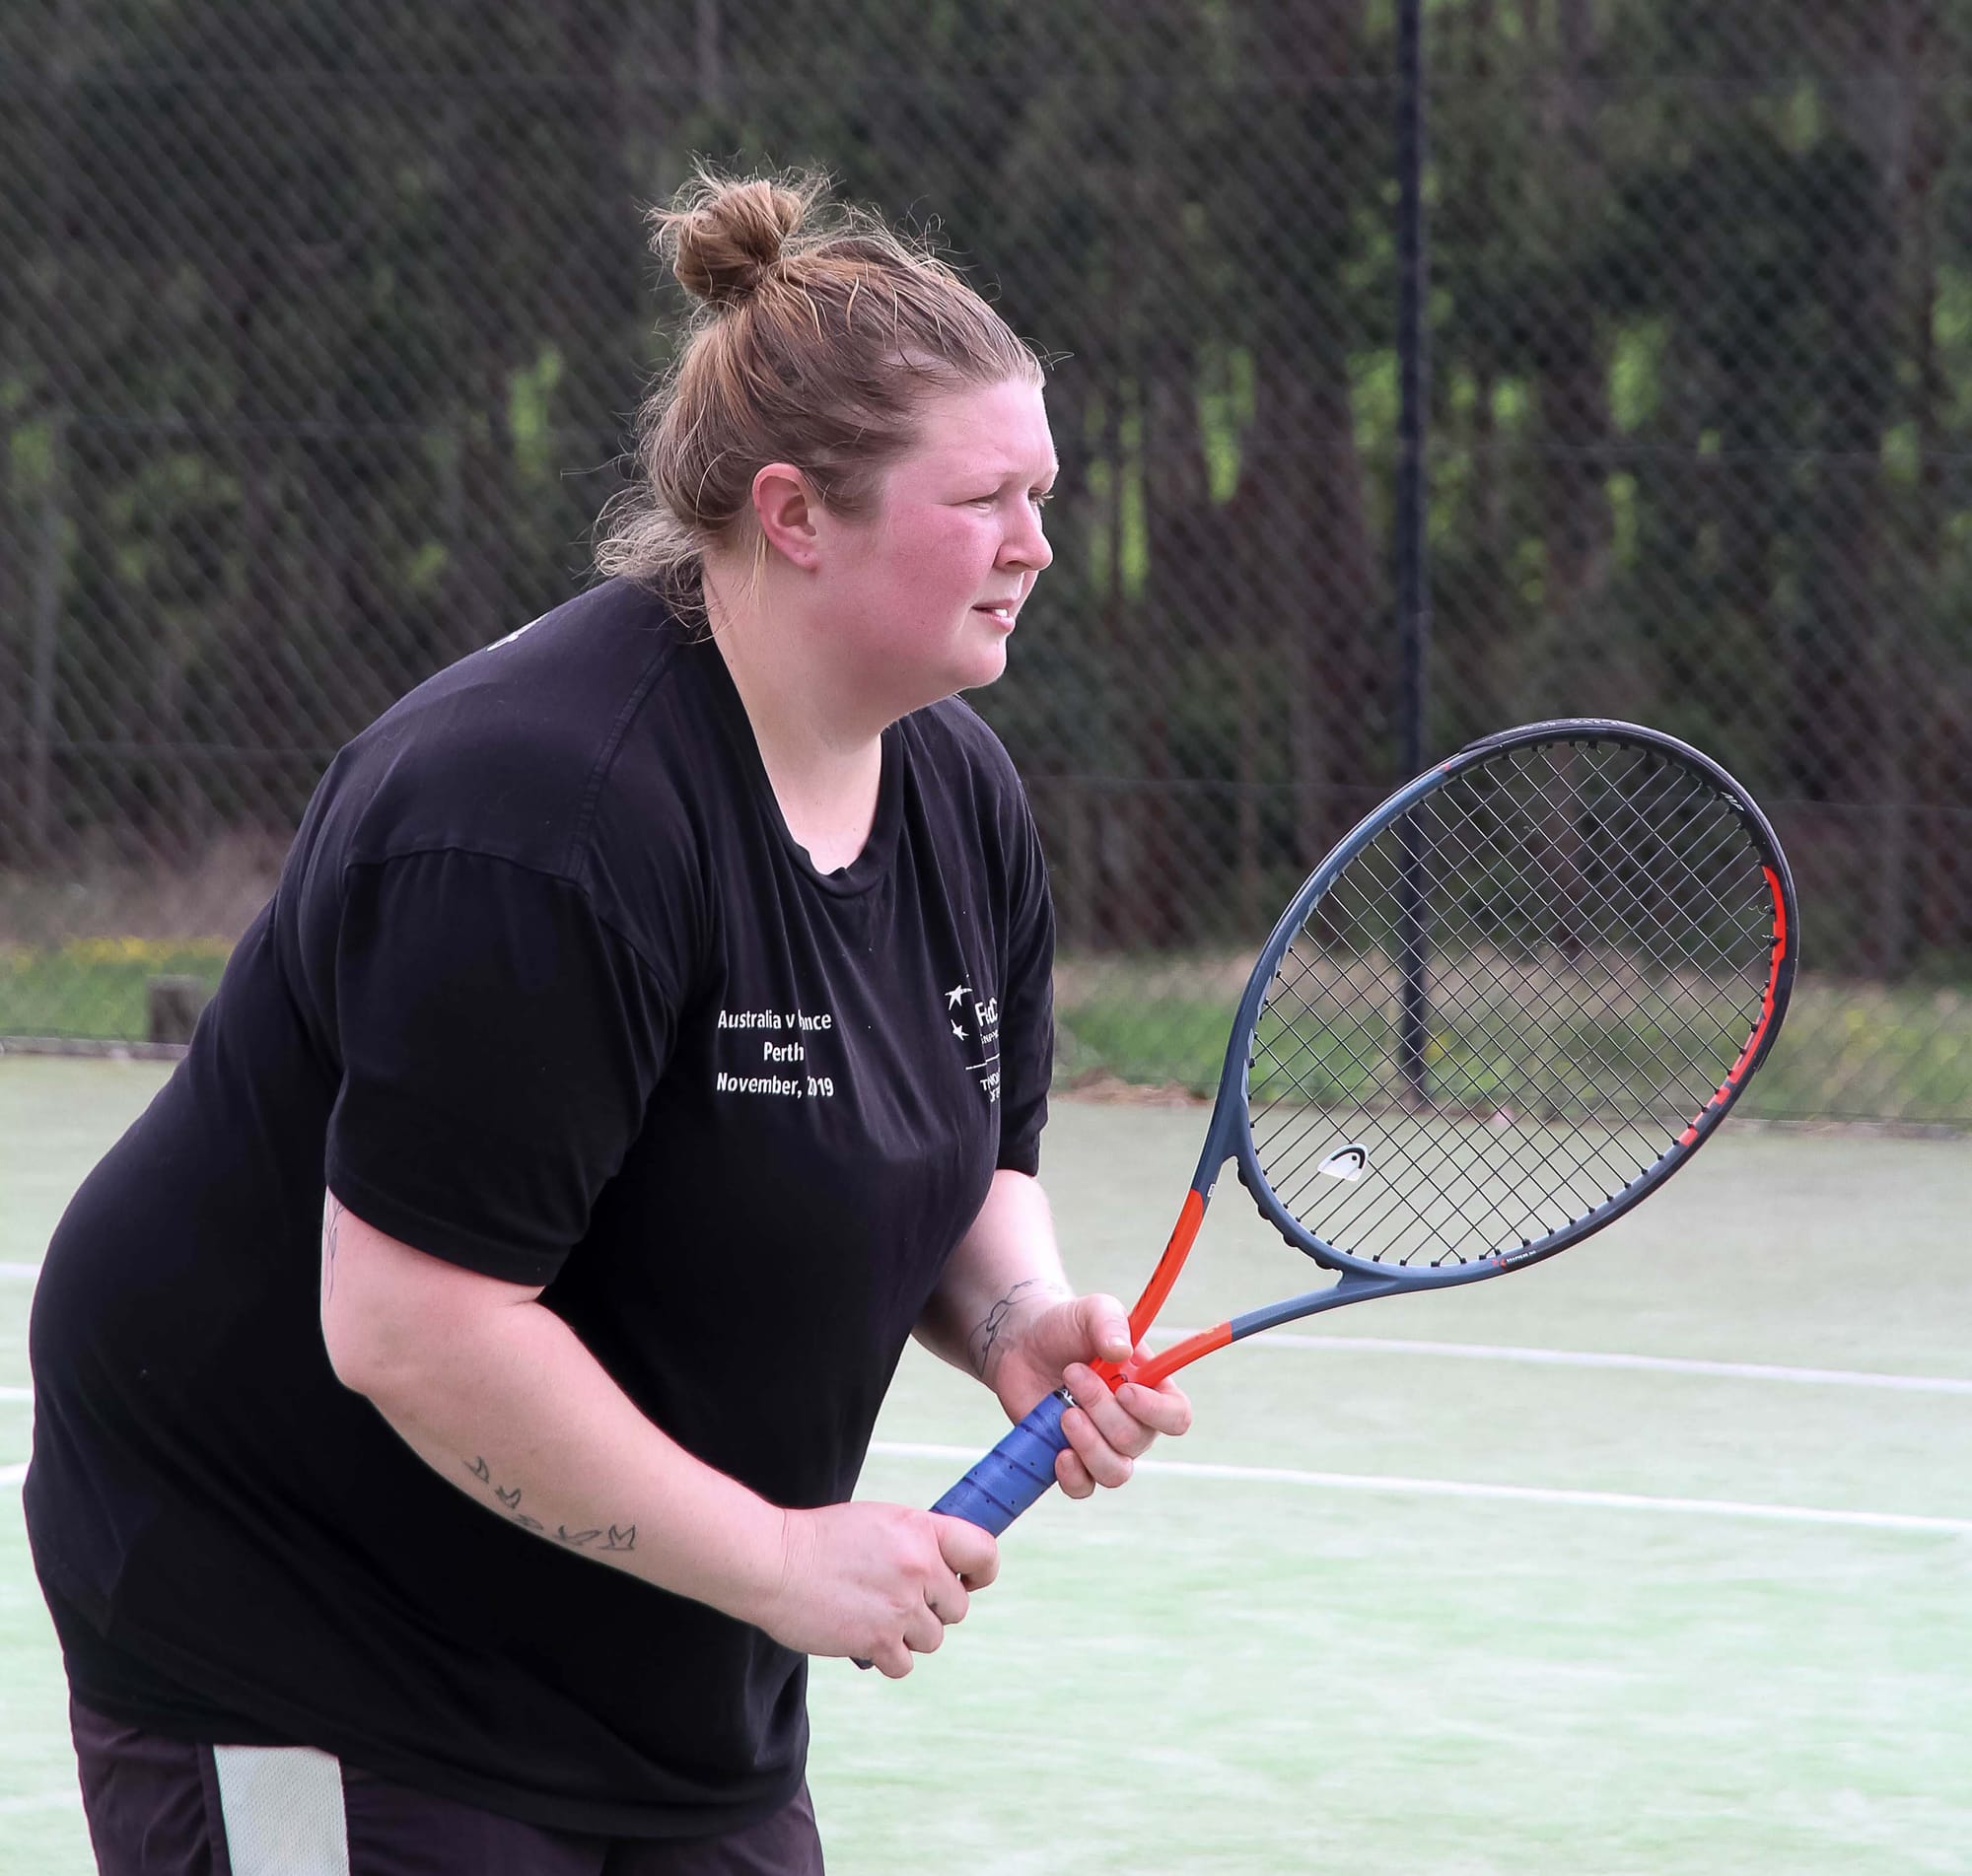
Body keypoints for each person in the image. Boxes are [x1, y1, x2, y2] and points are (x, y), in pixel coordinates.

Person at [24, 166, 1192, 1874]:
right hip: (307, 1633)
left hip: (663, 1681)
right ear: (795, 514)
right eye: (984, 499)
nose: (1037, 545)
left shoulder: (961, 797)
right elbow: (414, 1326)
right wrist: (782, 1563)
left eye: (1043, 494)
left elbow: (966, 1156)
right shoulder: (540, 821)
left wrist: (1016, 1315)